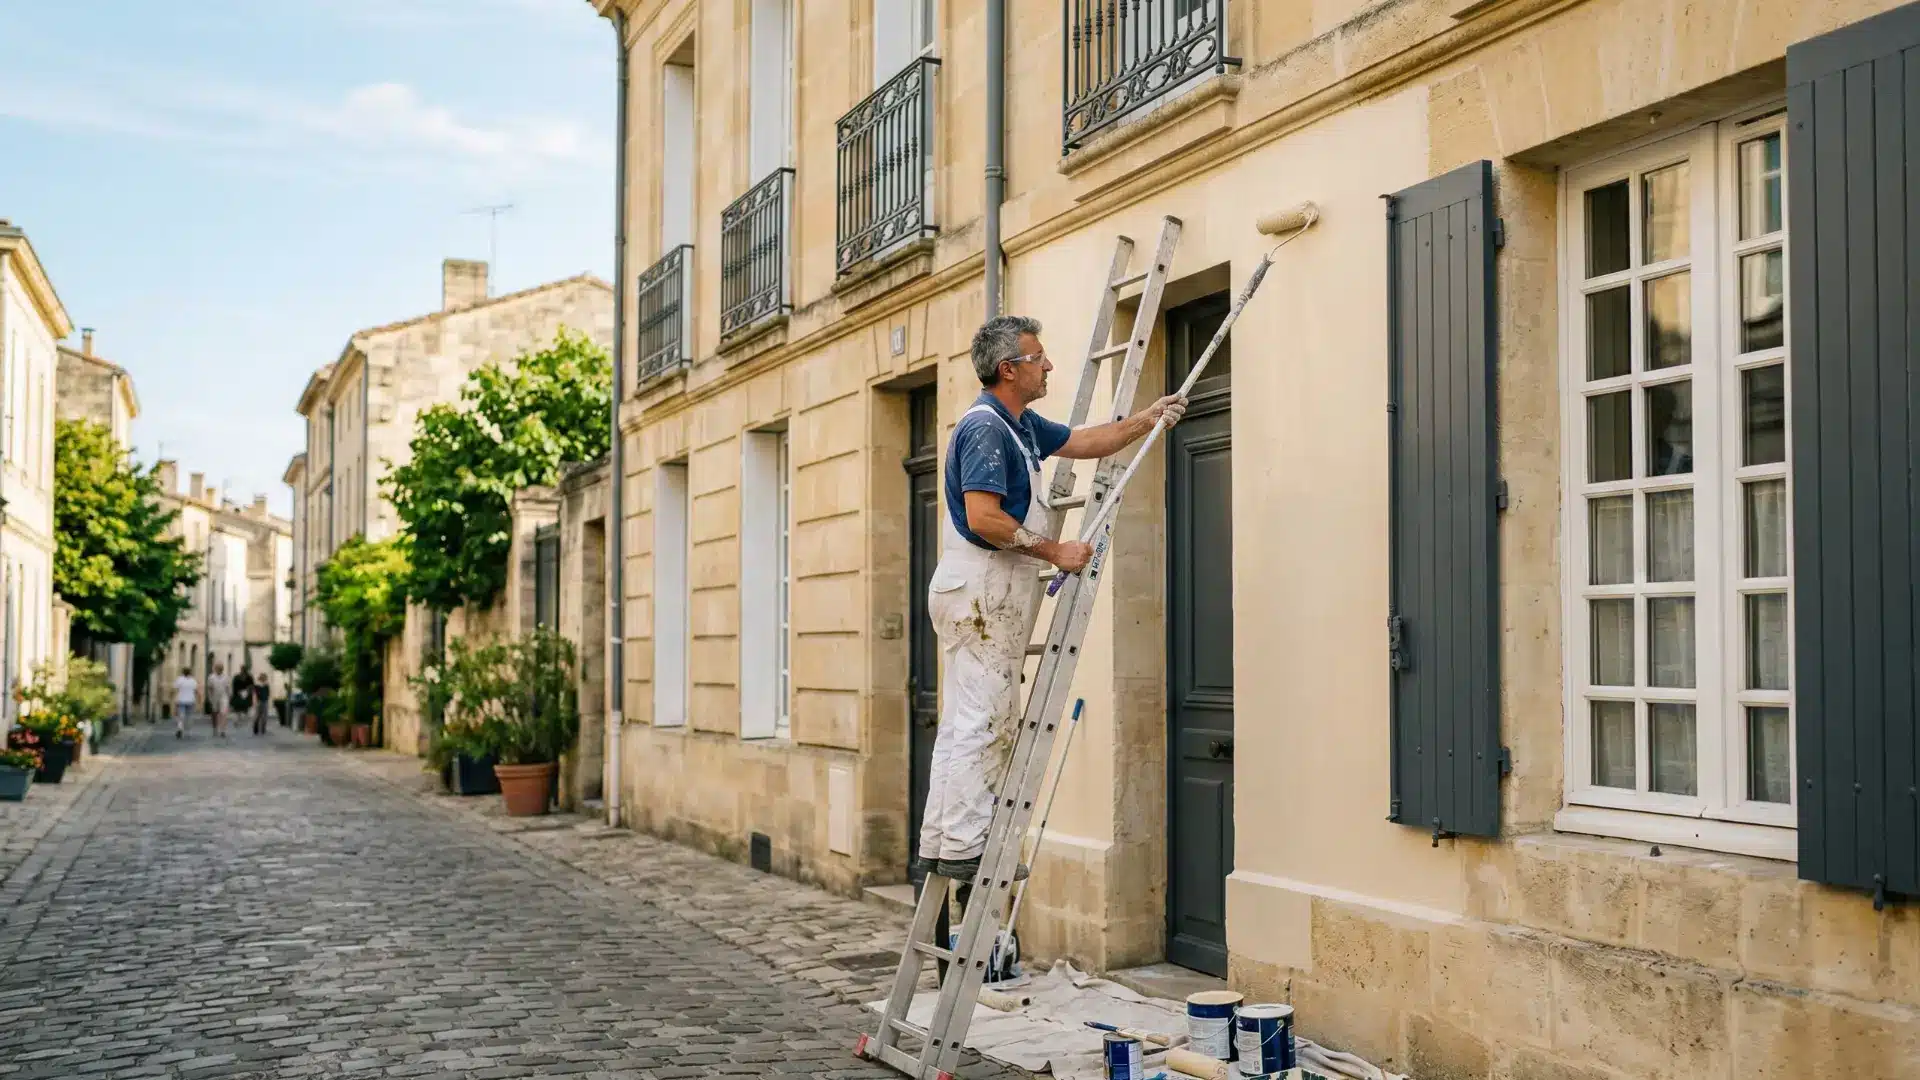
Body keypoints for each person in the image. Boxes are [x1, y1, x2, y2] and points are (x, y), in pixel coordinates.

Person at [917, 315, 1185, 884]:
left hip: (981, 588)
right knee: (984, 720)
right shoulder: (987, 429)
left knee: (971, 718)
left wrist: (1147, 419)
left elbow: (1086, 441)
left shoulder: (1020, 424)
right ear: (1009, 368)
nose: (1049, 367)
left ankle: (945, 839)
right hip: (982, 585)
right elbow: (986, 518)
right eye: (1039, 358)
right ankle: (966, 846)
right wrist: (1054, 550)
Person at [207, 663, 232, 738]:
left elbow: (228, 688)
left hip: (224, 697)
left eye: (220, 668)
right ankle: (215, 728)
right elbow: (210, 688)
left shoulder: (226, 677)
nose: (219, 669)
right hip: (214, 697)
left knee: (223, 713)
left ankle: (223, 730)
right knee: (214, 713)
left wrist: (229, 697)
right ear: (215, 669)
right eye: (218, 668)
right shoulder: (211, 677)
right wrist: (210, 698)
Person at [172, 667, 198, 739]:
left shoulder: (179, 680)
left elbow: (175, 689)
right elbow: (196, 691)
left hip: (181, 700)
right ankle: (189, 732)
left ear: (183, 672)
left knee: (181, 716)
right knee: (189, 717)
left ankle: (180, 728)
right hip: (191, 701)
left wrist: (172, 697)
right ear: (190, 673)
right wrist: (199, 700)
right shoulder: (193, 680)